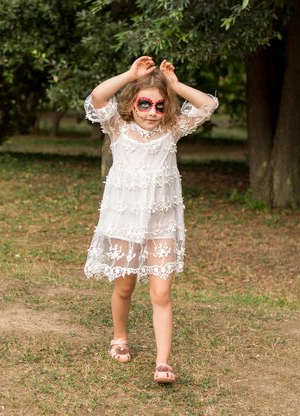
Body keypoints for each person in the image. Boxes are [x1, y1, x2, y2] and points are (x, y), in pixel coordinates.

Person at [83, 56, 218, 384]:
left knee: (161, 293)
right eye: (144, 103)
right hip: (125, 221)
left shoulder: (171, 130)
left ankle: (162, 362)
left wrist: (174, 85)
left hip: (161, 224)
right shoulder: (118, 129)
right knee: (125, 285)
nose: (151, 112)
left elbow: (208, 104)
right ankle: (119, 336)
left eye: (159, 106)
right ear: (132, 103)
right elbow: (98, 97)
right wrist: (130, 75)